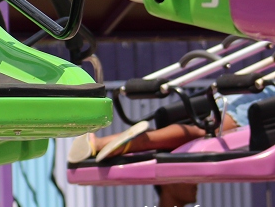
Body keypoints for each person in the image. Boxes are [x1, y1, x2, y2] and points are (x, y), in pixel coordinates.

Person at [69, 86, 275, 163]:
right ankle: (131, 141)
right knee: (205, 130)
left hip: (250, 89)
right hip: (263, 96)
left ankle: (103, 141)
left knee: (203, 129)